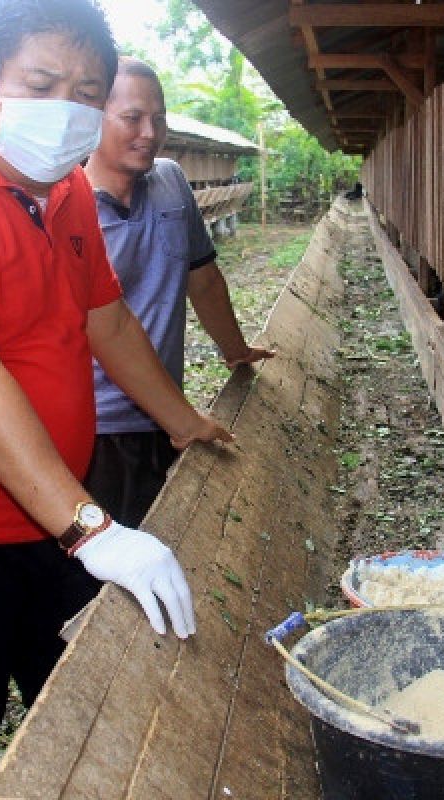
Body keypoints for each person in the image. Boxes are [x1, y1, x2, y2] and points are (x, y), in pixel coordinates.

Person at [0, 0, 233, 795]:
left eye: (86, 90)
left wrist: (187, 423)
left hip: (51, 513)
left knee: (73, 710)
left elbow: (108, 320)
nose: (66, 105)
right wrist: (94, 526)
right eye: (42, 80)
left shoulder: (62, 191)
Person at [83, 58, 276, 526]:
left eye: (159, 117)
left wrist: (235, 350)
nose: (149, 132)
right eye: (132, 118)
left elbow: (203, 279)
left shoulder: (170, 182)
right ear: (94, 118)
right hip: (98, 428)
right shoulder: (69, 207)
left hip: (167, 412)